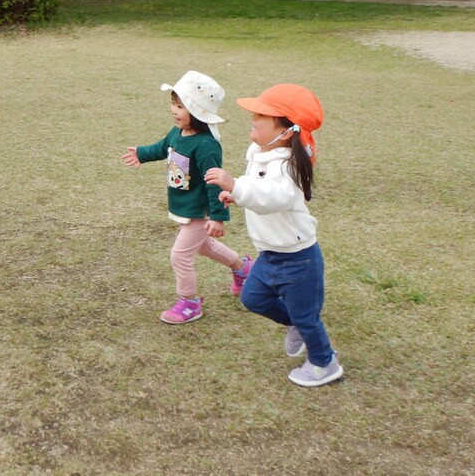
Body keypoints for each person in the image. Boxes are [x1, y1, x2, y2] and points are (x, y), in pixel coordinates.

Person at [204, 84, 343, 387]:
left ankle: (324, 362)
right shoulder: (259, 153)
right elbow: (258, 190)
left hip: (298, 259)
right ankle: (292, 322)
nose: (253, 117)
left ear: (287, 129)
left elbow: (275, 197)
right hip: (269, 253)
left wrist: (236, 186)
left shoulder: (290, 165)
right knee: (253, 297)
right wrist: (237, 194)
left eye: (263, 114)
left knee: (308, 317)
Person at [122, 71, 251, 324]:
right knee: (204, 246)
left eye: (180, 106)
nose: (174, 110)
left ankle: (189, 302)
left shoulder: (206, 145)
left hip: (199, 210)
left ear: (197, 110)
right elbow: (162, 147)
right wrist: (141, 153)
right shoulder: (178, 132)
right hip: (185, 206)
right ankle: (244, 269)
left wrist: (218, 217)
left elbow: (215, 183)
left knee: (180, 255)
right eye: (173, 103)